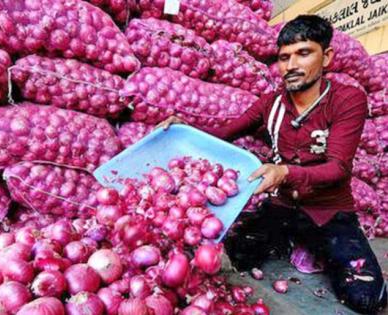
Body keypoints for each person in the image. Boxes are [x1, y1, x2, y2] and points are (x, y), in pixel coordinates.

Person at [160, 15, 387, 315]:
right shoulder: (271, 103)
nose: (291, 65)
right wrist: (184, 127)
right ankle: (296, 241)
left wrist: (285, 172)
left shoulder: (347, 99)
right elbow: (226, 133)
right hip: (282, 208)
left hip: (329, 211)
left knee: (366, 298)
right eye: (284, 57)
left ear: (327, 57)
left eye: (303, 53)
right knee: (238, 253)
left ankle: (313, 244)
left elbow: (338, 168)